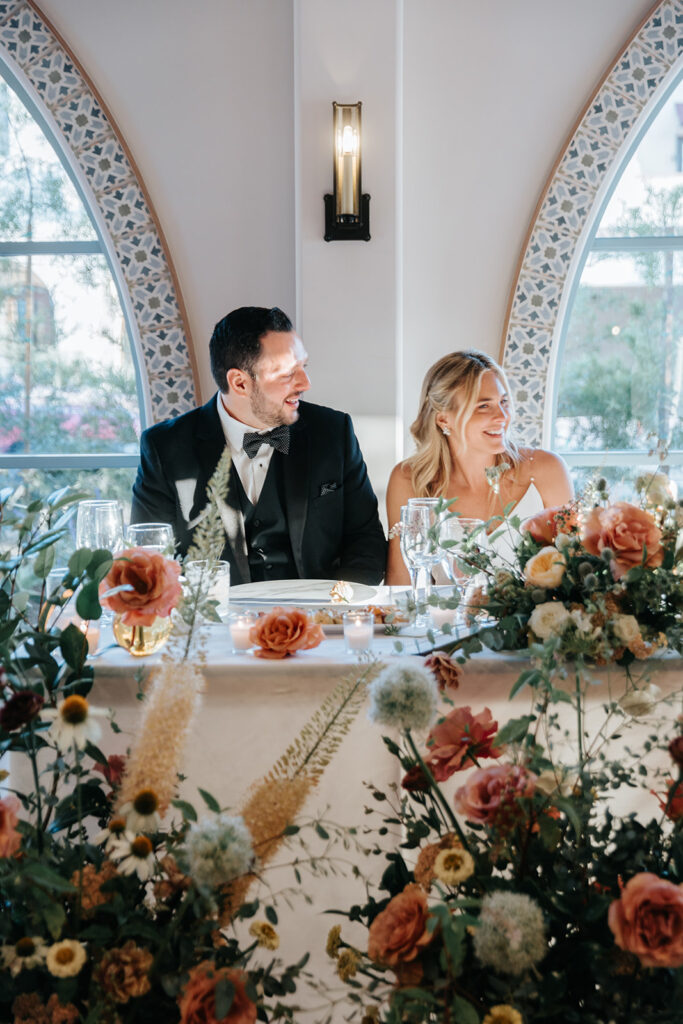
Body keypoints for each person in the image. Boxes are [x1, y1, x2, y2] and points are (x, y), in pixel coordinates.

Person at [131, 306, 386, 585]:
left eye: (304, 367)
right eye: (288, 373)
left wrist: (335, 610)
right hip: (218, 623)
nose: (306, 383)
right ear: (240, 383)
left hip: (320, 620)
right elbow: (149, 561)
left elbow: (366, 542)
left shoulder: (334, 432)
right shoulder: (164, 448)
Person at [385, 349, 573, 585]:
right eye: (484, 406)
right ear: (443, 419)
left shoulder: (547, 471)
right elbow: (401, 586)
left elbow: (575, 576)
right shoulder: (410, 480)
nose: (502, 416)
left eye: (503, 402)